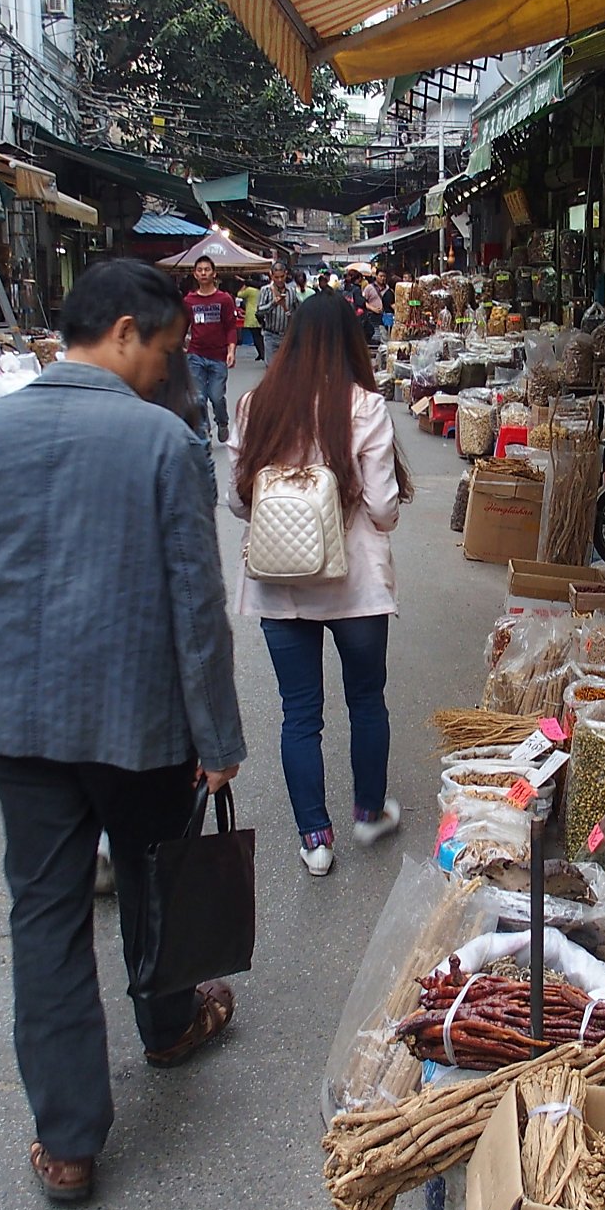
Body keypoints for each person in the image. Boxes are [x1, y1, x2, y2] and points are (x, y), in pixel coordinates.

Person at [0, 258, 246, 1205]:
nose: (166, 372)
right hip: (141, 722)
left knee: (44, 919)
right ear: (123, 331)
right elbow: (197, 608)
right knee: (155, 882)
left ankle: (70, 1142)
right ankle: (167, 1027)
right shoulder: (160, 445)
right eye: (162, 351)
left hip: (23, 723)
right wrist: (219, 736)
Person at [223, 290, 412, 877]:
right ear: (350, 342)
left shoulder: (257, 404)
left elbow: (236, 500)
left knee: (299, 713)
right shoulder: (364, 406)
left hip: (282, 584)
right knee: (366, 700)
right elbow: (382, 508)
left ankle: (315, 839)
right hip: (355, 585)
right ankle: (368, 811)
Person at [182, 258, 237, 443]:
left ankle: (222, 421)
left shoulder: (224, 299)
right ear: (195, 274)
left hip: (218, 356)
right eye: (200, 270)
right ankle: (204, 431)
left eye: (207, 270)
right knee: (198, 398)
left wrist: (231, 350)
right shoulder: (189, 301)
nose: (203, 273)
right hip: (195, 355)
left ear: (214, 273)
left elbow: (231, 326)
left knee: (216, 396)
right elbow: (183, 326)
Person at [255, 262, 294, 361]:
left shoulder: (292, 291)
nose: (280, 280)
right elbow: (259, 311)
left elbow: (296, 311)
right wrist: (273, 304)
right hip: (271, 335)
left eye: (282, 276)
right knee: (271, 368)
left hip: (287, 336)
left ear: (286, 274)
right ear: (271, 275)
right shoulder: (266, 291)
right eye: (276, 277)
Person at [234, 275, 264, 362]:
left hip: (251, 314)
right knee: (259, 335)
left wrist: (244, 285)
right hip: (260, 312)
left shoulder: (250, 290)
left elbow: (239, 294)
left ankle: (261, 353)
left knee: (255, 336)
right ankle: (261, 353)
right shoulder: (261, 289)